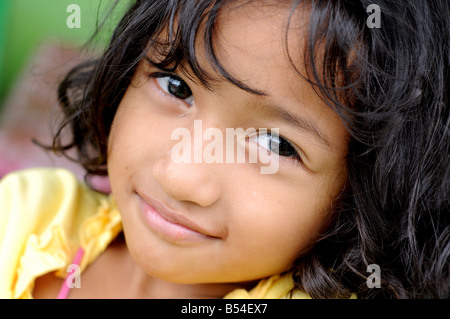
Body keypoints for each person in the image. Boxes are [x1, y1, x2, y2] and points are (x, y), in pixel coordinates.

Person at [0, 0, 448, 299]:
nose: (180, 175)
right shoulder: (27, 216)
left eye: (276, 144)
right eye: (176, 87)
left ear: (358, 199)